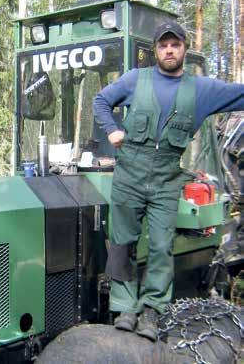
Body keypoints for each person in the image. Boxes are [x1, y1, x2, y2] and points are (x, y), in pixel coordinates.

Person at [93, 21, 244, 341]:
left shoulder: (202, 90)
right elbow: (101, 101)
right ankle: (125, 308)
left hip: (165, 178)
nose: (169, 50)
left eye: (175, 44)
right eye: (163, 45)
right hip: (129, 175)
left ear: (184, 49)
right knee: (122, 244)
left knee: (162, 246)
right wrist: (112, 129)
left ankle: (151, 310)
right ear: (155, 51)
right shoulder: (136, 79)